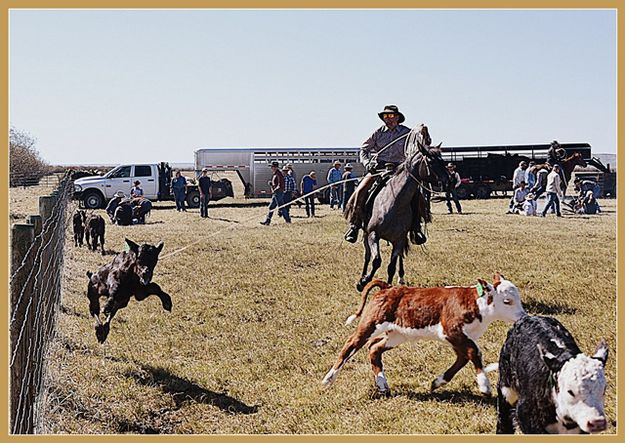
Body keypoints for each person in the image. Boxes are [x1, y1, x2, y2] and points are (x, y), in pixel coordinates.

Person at [344, 104, 413, 243]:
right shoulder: (378, 133)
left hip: (399, 169)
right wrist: (368, 163)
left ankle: (416, 227)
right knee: (360, 191)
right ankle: (355, 224)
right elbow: (363, 149)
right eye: (385, 116)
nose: (387, 118)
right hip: (379, 168)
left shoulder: (408, 133)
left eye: (390, 115)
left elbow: (415, 149)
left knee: (416, 194)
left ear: (397, 117)